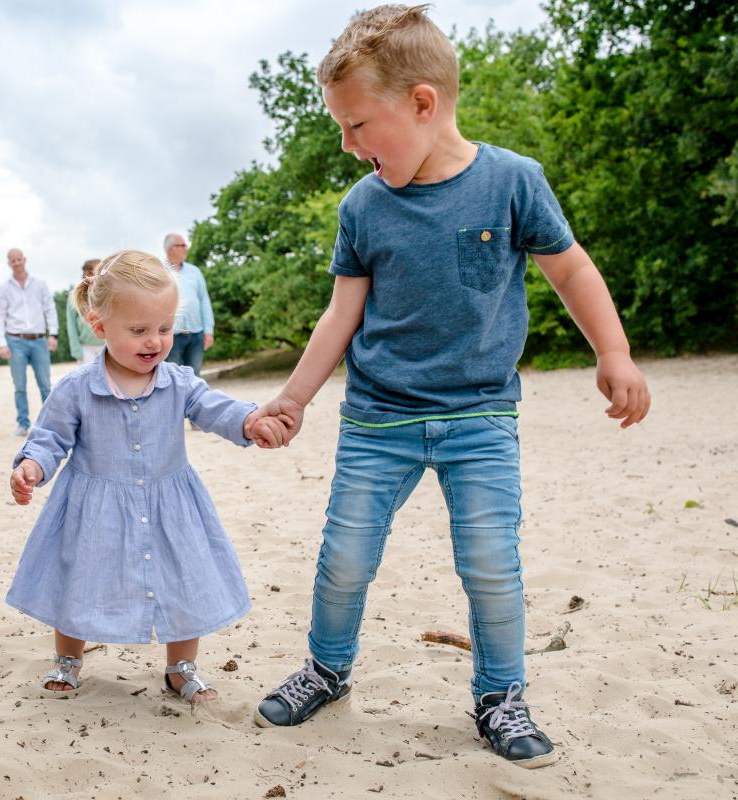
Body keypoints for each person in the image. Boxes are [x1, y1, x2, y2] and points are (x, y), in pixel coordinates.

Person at [247, 4, 650, 769]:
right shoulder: (362, 207)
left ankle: (500, 695)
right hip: (377, 419)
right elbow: (341, 313)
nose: (347, 144)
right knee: (345, 557)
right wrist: (294, 398)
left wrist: (616, 352)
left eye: (358, 125)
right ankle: (327, 670)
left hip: (479, 415)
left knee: (491, 562)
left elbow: (572, 268)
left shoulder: (512, 182)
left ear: (423, 104)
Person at [6, 249, 287, 703]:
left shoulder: (178, 381)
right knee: (77, 576)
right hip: (93, 507)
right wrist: (31, 467)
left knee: (184, 580)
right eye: (138, 330)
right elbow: (49, 438)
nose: (154, 341)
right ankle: (68, 659)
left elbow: (214, 408)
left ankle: (180, 668)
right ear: (100, 327)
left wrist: (250, 422)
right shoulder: (76, 388)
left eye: (164, 328)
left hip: (171, 504)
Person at [0, 247, 58, 436]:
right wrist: (1, 343)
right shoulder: (4, 288)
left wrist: (53, 334)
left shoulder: (40, 284)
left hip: (39, 339)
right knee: (19, 386)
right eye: (12, 260)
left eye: (19, 259)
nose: (16, 263)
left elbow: (50, 308)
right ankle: (23, 423)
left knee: (45, 384)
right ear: (9, 263)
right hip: (15, 340)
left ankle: (51, 423)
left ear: (24, 259)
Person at [162, 233, 214, 378]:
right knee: (175, 377)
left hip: (196, 333)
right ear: (171, 248)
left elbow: (204, 300)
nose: (186, 248)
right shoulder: (159, 271)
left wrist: (208, 330)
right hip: (171, 335)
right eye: (183, 245)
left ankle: (193, 401)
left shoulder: (195, 271)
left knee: (195, 376)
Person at [65, 258, 106, 364]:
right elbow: (71, 326)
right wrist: (77, 351)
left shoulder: (107, 293)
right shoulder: (74, 295)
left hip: (106, 345)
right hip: (85, 348)